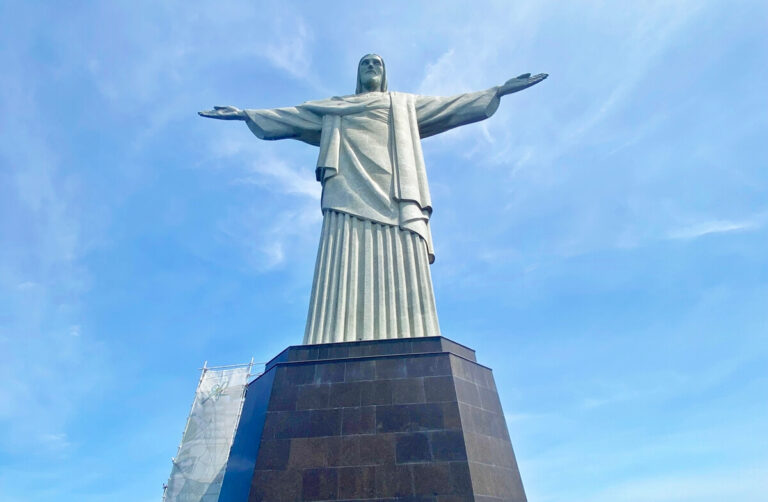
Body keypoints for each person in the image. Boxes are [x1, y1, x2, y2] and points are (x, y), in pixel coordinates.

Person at [200, 54, 547, 345]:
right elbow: (290, 117)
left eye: (376, 63)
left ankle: (413, 336)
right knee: (343, 256)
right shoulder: (334, 108)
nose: (371, 67)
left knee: (403, 257)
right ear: (357, 74)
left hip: (397, 192)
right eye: (365, 63)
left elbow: (450, 106)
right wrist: (246, 113)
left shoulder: (403, 105)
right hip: (346, 192)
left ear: (383, 74)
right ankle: (333, 338)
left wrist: (498, 91)